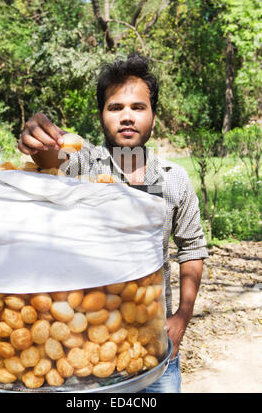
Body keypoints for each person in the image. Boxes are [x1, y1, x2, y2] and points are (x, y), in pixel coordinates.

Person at [18, 52, 208, 393]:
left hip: (155, 346)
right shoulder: (85, 166)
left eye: (138, 107)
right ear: (101, 115)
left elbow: (192, 247)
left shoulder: (174, 180)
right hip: (88, 349)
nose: (127, 117)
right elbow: (52, 155)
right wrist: (38, 136)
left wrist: (182, 316)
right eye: (115, 107)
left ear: (153, 115)